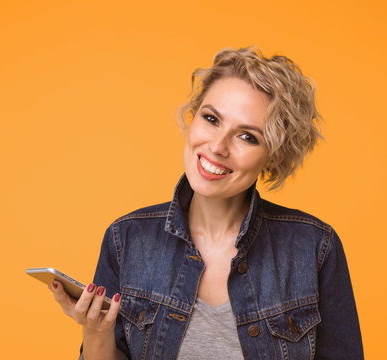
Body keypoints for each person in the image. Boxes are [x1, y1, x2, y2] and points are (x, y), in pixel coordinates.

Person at [49, 47, 364, 359]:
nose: (217, 146)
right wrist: (95, 331)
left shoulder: (314, 247)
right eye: (211, 119)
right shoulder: (126, 240)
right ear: (193, 116)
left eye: (247, 136)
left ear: (275, 155)